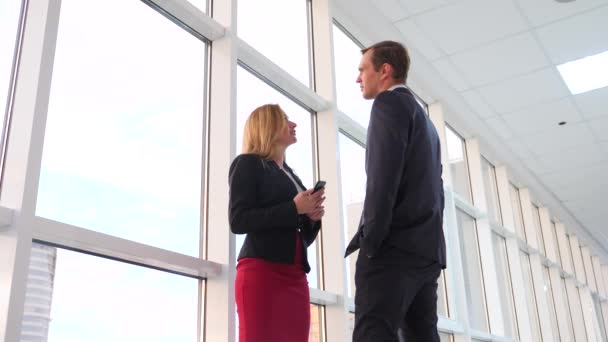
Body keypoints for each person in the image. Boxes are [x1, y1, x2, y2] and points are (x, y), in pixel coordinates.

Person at [344, 40, 446, 341]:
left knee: (372, 334)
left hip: (393, 250)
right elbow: (436, 192)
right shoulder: (427, 124)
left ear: (384, 71)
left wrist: (371, 242)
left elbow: (382, 179)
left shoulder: (389, 104)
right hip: (426, 252)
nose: (358, 78)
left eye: (363, 70)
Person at [229, 104, 325, 342]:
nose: (293, 125)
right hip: (261, 273)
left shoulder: (291, 174)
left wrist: (311, 219)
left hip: (295, 274)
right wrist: (294, 208)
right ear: (268, 126)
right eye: (285, 119)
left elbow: (297, 235)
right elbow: (238, 220)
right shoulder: (247, 163)